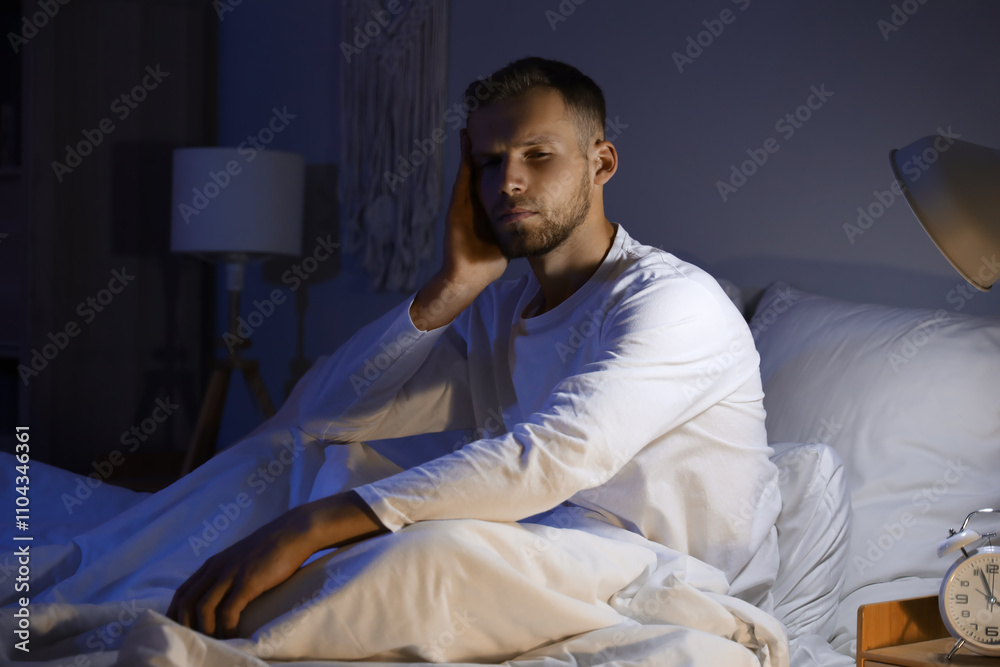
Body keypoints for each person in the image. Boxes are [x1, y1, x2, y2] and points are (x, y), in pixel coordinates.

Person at [167, 56, 781, 658]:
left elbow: (552, 456)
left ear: (602, 162)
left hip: (665, 575)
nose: (508, 181)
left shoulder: (673, 301)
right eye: (489, 163)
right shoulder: (499, 308)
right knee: (299, 460)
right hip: (547, 544)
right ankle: (164, 592)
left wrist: (314, 527)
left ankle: (190, 632)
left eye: (537, 156)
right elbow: (325, 419)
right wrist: (449, 289)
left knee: (425, 552)